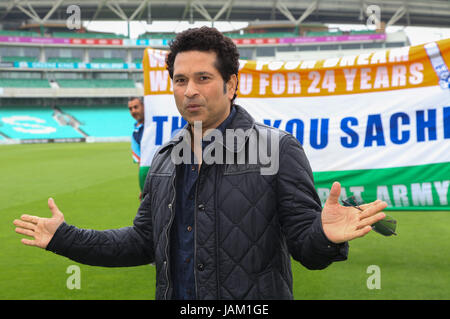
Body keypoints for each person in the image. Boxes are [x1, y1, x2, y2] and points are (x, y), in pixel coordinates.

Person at [13, 27, 388, 300]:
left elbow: (308, 251)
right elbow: (143, 242)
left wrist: (323, 237)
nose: (189, 90)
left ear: (232, 84)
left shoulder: (279, 149)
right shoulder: (163, 159)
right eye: (179, 79)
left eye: (203, 78)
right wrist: (65, 238)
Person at [127, 96, 147, 196]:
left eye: (136, 107)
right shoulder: (135, 134)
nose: (133, 111)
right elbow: (140, 163)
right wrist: (142, 187)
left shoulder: (156, 125)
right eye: (130, 109)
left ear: (144, 106)